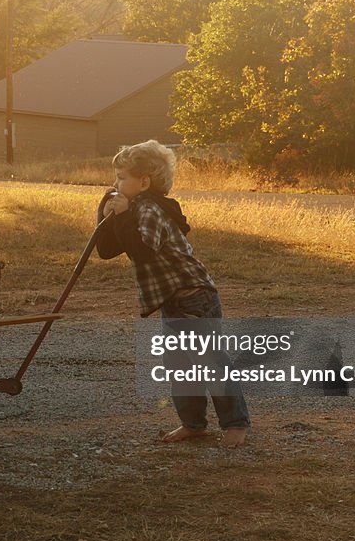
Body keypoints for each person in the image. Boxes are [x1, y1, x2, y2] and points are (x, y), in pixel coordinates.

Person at [96, 140, 251, 448]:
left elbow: (142, 252)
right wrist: (104, 212)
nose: (116, 184)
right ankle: (193, 424)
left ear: (144, 182)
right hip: (173, 299)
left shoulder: (150, 210)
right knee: (179, 364)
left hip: (194, 296)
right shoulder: (135, 208)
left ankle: (236, 424)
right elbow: (106, 250)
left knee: (209, 361)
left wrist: (124, 215)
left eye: (122, 178)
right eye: (116, 178)